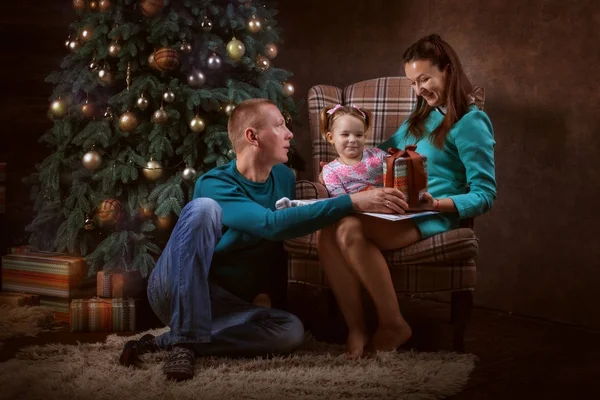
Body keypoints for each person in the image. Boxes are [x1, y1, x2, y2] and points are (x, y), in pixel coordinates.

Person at [118, 98, 411, 381]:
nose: (290, 133)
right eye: (280, 125)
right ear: (253, 136)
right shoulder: (214, 183)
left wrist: (269, 296)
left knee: (290, 331)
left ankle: (169, 342)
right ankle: (183, 343)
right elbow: (270, 225)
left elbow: (276, 244)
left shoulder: (283, 177)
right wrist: (353, 201)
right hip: (174, 290)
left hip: (226, 303)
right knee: (203, 208)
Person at [317, 33, 497, 359]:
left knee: (347, 228)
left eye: (424, 78)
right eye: (413, 82)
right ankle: (356, 329)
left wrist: (437, 203)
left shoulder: (472, 122)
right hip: (399, 207)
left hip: (433, 214)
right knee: (327, 232)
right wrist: (339, 165)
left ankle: (393, 324)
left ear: (448, 70)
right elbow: (384, 152)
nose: (419, 90)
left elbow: (485, 194)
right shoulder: (421, 116)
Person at [320, 104, 386, 196]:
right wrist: (366, 195)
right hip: (354, 210)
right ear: (331, 138)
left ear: (365, 137)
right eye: (345, 134)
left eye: (359, 135)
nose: (353, 140)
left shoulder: (378, 155)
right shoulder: (330, 171)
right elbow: (341, 201)